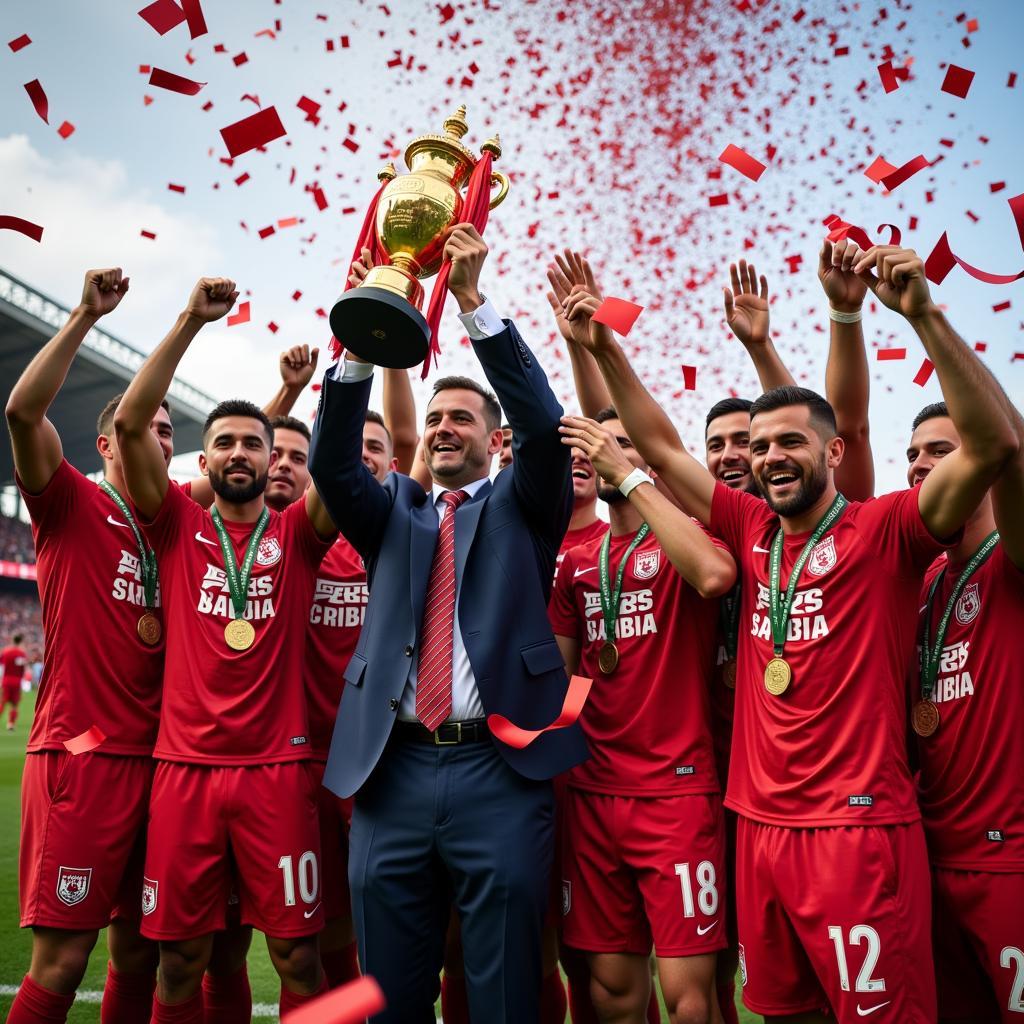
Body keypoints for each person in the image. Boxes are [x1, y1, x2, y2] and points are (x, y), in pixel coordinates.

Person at [560, 245, 1018, 1022]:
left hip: (857, 831)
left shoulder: (888, 531)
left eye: (789, 443)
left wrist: (923, 317)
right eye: (760, 445)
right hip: (759, 831)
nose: (770, 457)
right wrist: (604, 344)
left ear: (834, 453)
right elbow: (665, 447)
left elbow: (997, 448)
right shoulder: (749, 529)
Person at [308, 222, 587, 1022]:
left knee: (504, 992)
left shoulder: (526, 504)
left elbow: (542, 425)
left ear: (493, 439)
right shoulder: (393, 508)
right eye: (435, 420)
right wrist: (360, 335)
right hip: (390, 771)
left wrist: (473, 305)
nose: (443, 429)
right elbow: (332, 463)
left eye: (462, 418)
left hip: (500, 775)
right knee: (390, 996)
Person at [113, 276, 341, 1024]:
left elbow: (337, 464)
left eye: (254, 442)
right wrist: (187, 322)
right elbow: (133, 418)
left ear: (275, 457)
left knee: (297, 957)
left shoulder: (300, 535)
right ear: (203, 463)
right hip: (185, 774)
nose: (241, 453)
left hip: (279, 773)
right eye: (225, 444)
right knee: (180, 960)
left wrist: (355, 350)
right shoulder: (175, 523)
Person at [4, 268, 182, 1024]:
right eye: (150, 427)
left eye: (173, 432)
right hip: (84, 756)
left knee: (140, 949)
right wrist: (82, 315)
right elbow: (21, 410)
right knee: (64, 956)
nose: (162, 440)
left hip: (161, 765)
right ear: (108, 440)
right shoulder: (70, 500)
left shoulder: (176, 524)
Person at [551, 408, 734, 1024]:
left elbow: (714, 577)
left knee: (689, 1001)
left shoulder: (686, 539)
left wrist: (632, 477)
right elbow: (568, 682)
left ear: (652, 459)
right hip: (594, 796)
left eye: (622, 443)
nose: (603, 452)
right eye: (599, 442)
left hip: (675, 795)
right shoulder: (579, 561)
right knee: (612, 995)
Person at [906, 397, 1024, 1022]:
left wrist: (923, 317)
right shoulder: (921, 582)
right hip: (930, 859)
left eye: (941, 450)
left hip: (1010, 862)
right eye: (913, 454)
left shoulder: (1013, 555)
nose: (920, 465)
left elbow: (1011, 443)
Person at [0, 632, 28, 731]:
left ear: (12, 640)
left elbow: (1, 665)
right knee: (14, 704)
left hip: (6, 680)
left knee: (2, 702)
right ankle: (11, 724)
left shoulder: (6, 652)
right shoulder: (21, 653)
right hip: (16, 681)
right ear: (20, 641)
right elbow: (23, 669)